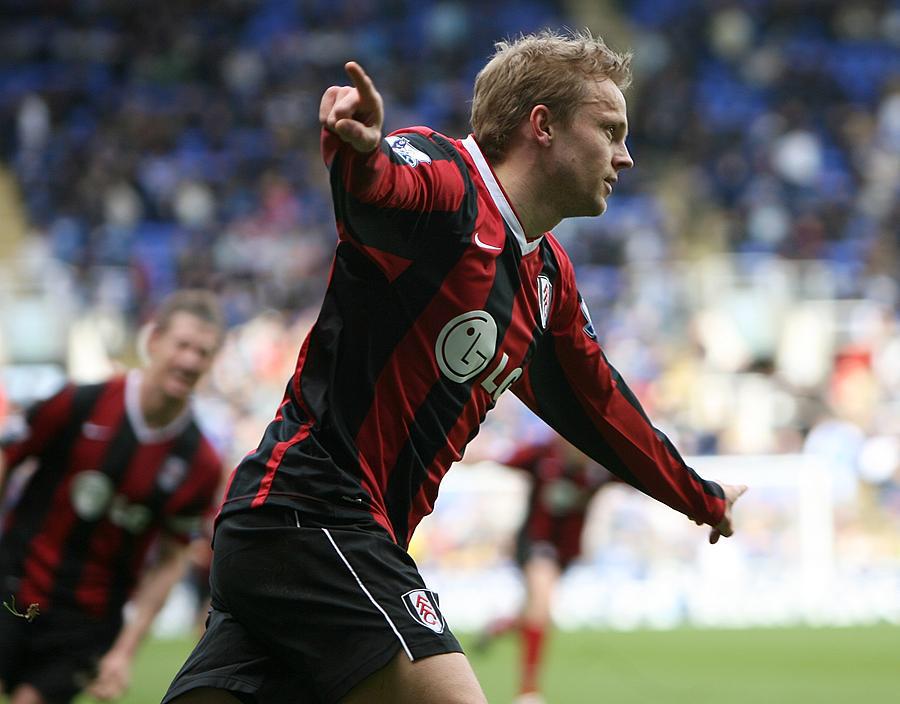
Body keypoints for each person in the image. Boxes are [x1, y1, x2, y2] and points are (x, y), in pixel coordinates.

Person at [163, 29, 746, 704]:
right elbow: (382, 187)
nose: (626, 155)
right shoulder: (450, 184)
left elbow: (603, 407)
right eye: (610, 130)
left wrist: (699, 497)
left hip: (307, 538)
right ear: (543, 126)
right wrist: (357, 150)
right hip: (315, 514)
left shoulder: (546, 277)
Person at [0, 289, 226, 704]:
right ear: (154, 340)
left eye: (203, 352)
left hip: (87, 618)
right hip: (14, 581)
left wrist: (125, 650)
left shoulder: (201, 463)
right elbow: (7, 455)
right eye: (182, 345)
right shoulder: (82, 401)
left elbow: (172, 557)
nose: (190, 360)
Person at [473, 434, 622, 704]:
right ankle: (528, 692)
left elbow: (638, 475)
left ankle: (499, 627)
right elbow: (504, 458)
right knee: (542, 603)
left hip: (566, 551)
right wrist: (474, 455)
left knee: (533, 612)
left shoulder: (600, 467)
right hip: (534, 543)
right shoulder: (542, 454)